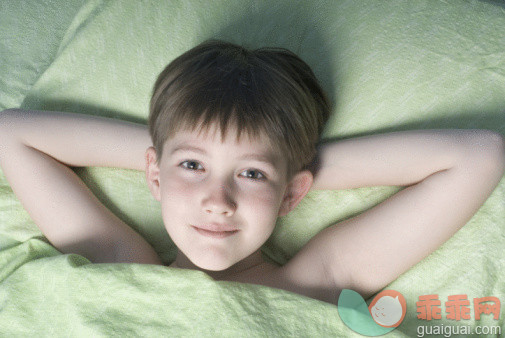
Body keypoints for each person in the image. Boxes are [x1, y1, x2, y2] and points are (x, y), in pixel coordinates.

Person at [0, 40, 503, 306]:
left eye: (251, 175)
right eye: (193, 166)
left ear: (293, 193)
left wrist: (283, 173)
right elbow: (10, 132)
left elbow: (480, 155)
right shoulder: (118, 264)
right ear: (153, 176)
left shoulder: (316, 282)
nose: (217, 200)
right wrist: (175, 152)